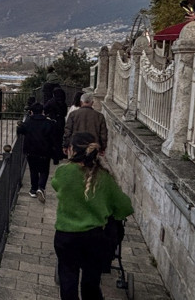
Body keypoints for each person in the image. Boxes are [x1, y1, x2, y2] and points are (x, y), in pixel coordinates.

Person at [51, 132, 133, 300]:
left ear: (72, 150)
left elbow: (55, 185)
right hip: (95, 238)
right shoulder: (105, 178)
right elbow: (125, 207)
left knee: (68, 281)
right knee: (91, 283)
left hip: (66, 236)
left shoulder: (63, 172)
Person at [16, 102, 58, 203]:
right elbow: (53, 136)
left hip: (31, 151)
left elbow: (20, 130)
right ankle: (41, 187)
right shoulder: (49, 123)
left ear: (31, 112)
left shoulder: (28, 122)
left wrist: (20, 125)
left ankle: (33, 190)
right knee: (44, 171)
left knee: (33, 170)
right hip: (45, 151)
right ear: (43, 111)